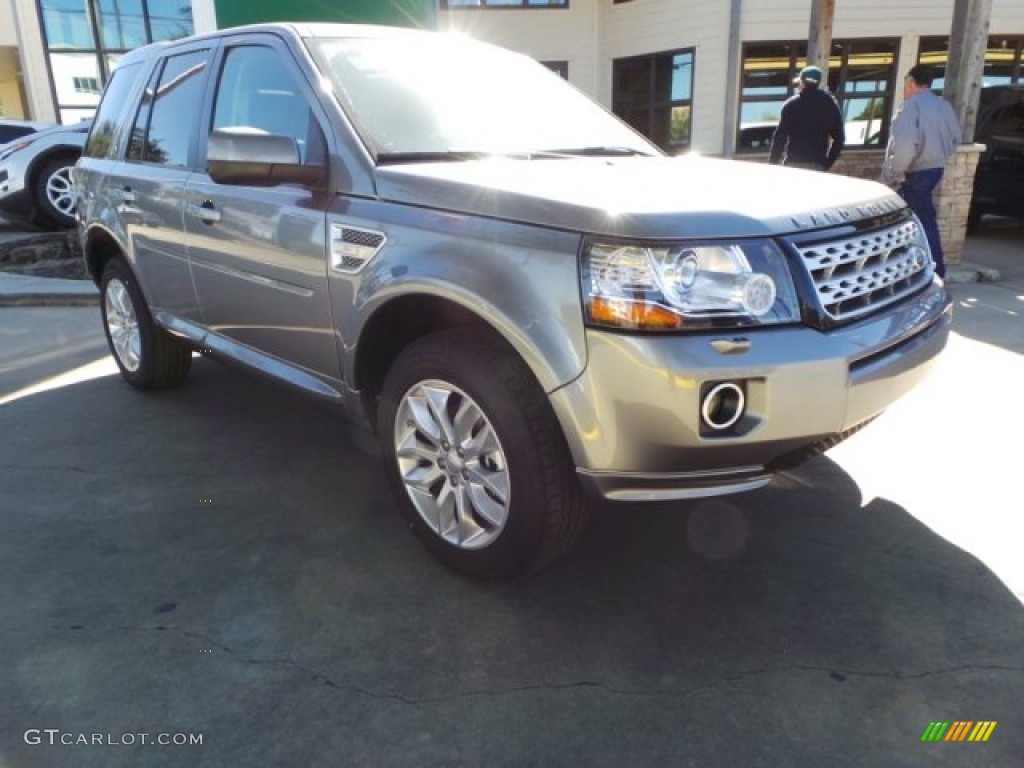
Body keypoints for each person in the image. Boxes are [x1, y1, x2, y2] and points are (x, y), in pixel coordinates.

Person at [881, 64, 962, 278]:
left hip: (914, 172)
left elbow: (905, 145)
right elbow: (956, 138)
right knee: (919, 219)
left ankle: (932, 271)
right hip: (935, 168)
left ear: (910, 82)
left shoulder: (910, 106)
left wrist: (895, 174)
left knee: (913, 222)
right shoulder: (944, 106)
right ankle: (919, 269)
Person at [769, 65, 845, 171]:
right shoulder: (831, 105)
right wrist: (826, 164)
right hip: (817, 166)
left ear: (802, 82)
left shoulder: (792, 104)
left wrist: (773, 163)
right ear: (818, 83)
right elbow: (839, 139)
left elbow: (780, 137)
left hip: (793, 165)